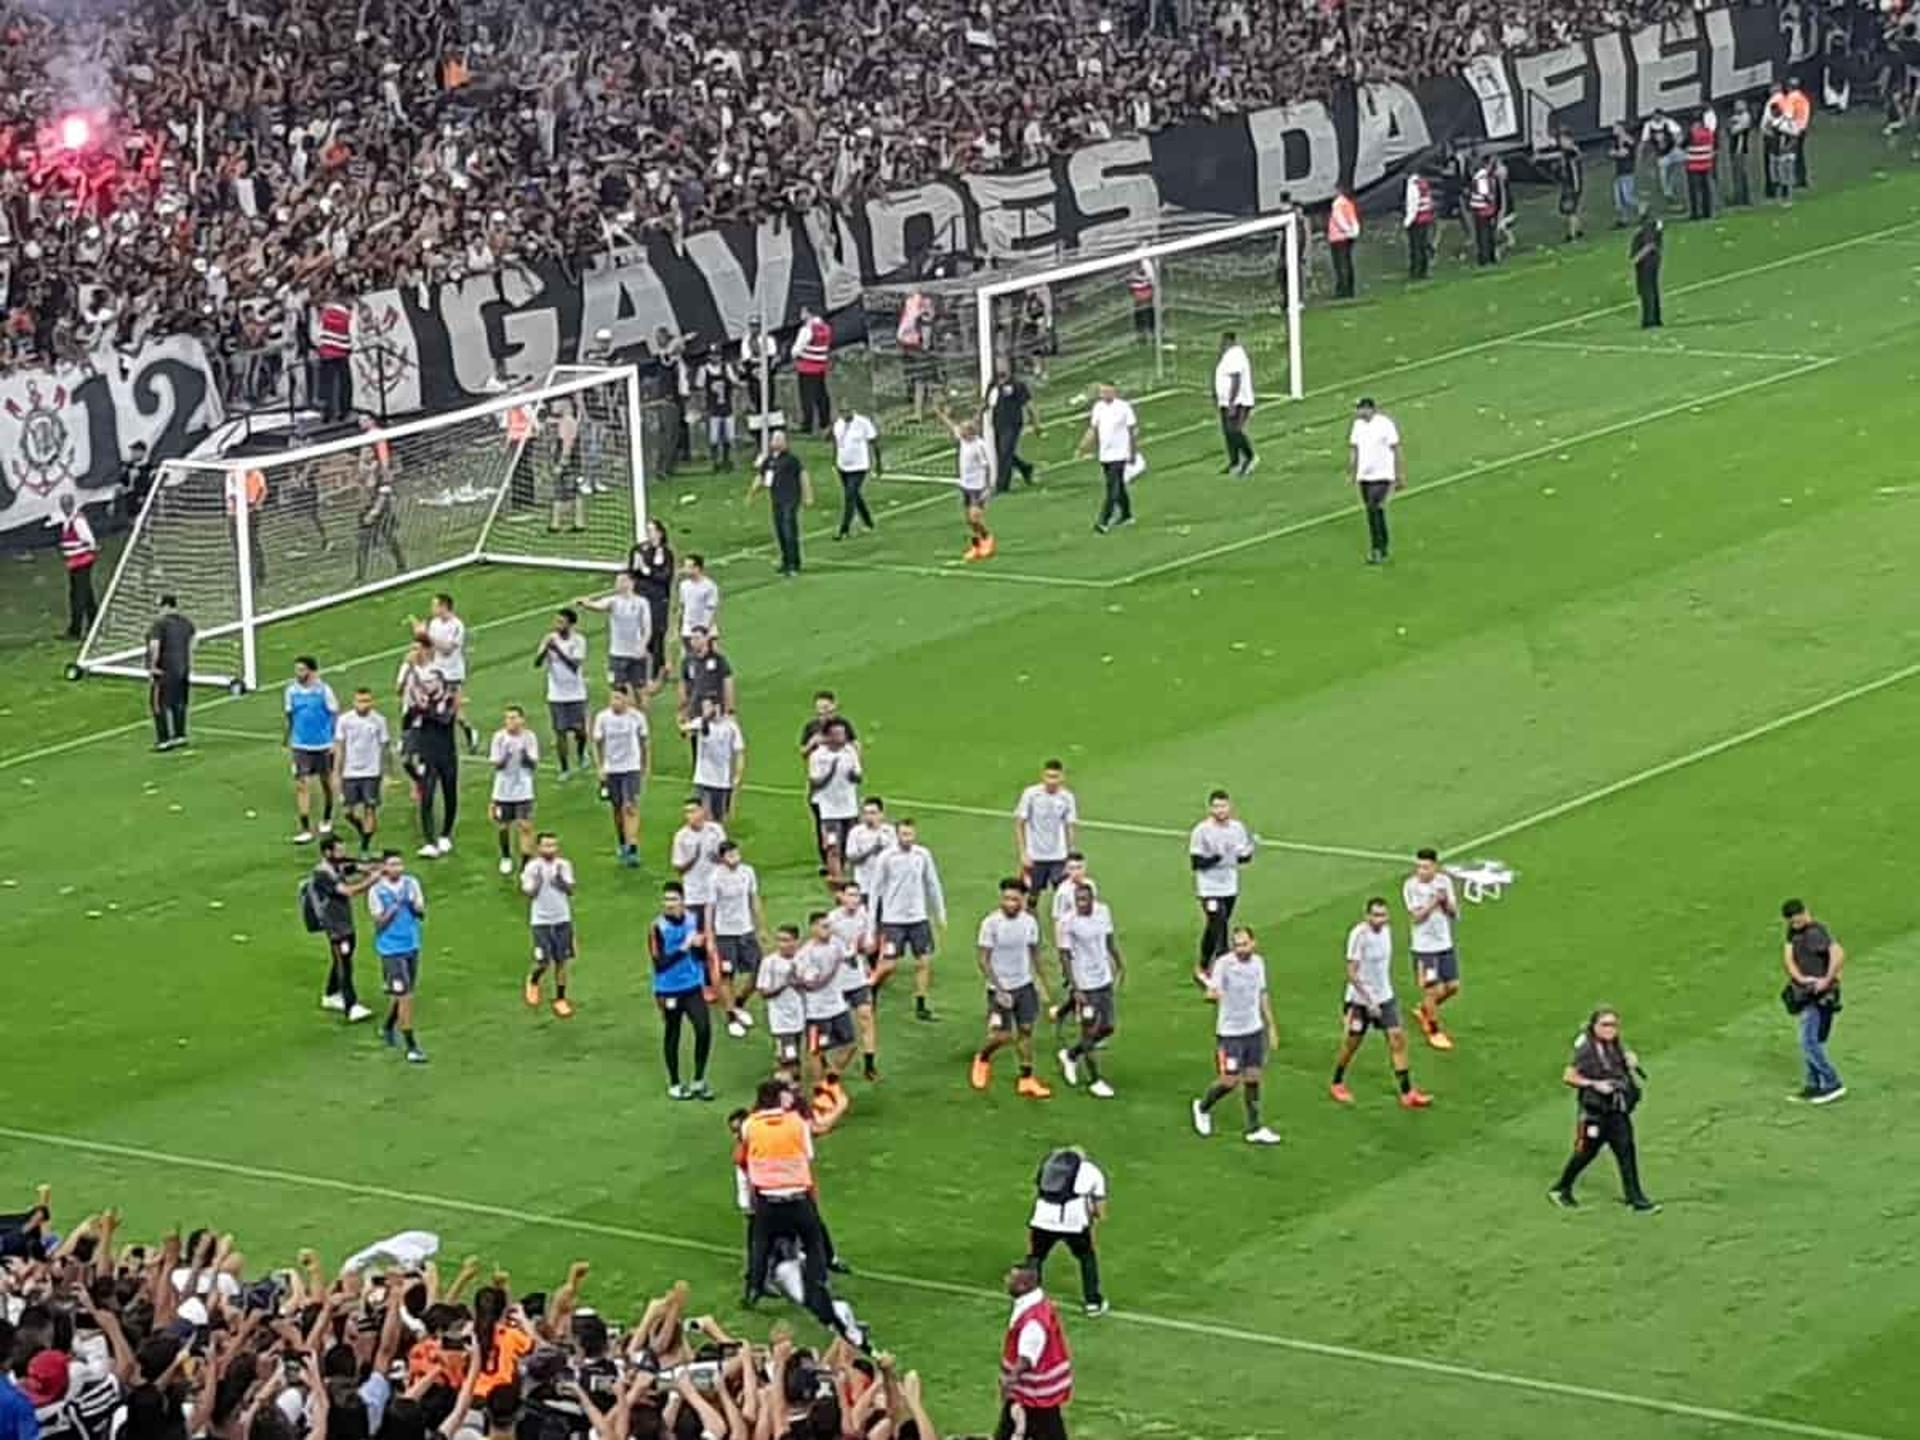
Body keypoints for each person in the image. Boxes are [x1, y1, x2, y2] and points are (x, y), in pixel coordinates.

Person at [740, 1079, 847, 1333]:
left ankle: (754, 1288)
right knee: (813, 1242)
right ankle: (817, 1284)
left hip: (767, 1198)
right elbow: (808, 1154)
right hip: (797, 1196)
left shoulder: (750, 1125)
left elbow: (748, 1152)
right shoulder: (796, 1123)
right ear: (778, 1098)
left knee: (761, 1244)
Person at [1549, 1008, 1658, 1212]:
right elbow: (1569, 1076)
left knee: (1626, 1152)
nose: (1611, 1029)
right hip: (1594, 1114)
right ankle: (1561, 1188)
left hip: (1617, 1110)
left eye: (1614, 1025)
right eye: (1605, 1025)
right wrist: (1593, 1084)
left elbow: (1618, 1070)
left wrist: (1631, 1063)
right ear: (1595, 1027)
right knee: (1585, 1154)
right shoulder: (1587, 1050)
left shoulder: (1614, 1046)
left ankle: (1636, 1198)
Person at [1330, 898, 1434, 1108]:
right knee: (1352, 1044)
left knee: (1397, 1039)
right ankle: (1337, 1081)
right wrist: (1368, 1002)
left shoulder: (1386, 932)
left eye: (1383, 915)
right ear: (1367, 916)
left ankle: (1407, 1092)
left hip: (1385, 996)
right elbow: (1351, 972)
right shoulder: (1359, 936)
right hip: (1361, 1000)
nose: (1380, 919)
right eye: (1375, 915)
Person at [1191, 926, 1281, 1145]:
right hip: (1230, 1033)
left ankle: (1254, 1127)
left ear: (1253, 943)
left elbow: (1262, 994)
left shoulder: (1258, 963)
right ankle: (1202, 1107)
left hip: (1253, 1030)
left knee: (1253, 1078)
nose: (1240, 949)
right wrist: (1212, 993)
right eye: (1236, 944)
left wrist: (1271, 1026)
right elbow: (1212, 991)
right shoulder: (1224, 964)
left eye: (1244, 944)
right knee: (1229, 1081)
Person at [972, 878, 1052, 1099]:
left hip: (1024, 985)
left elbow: (1035, 954)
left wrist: (1042, 986)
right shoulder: (991, 923)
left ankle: (1026, 1078)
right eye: (1006, 898)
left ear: (1023, 901)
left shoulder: (1029, 923)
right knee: (1003, 1035)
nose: (1009, 903)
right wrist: (999, 989)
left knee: (1026, 1030)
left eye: (1014, 899)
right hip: (1000, 987)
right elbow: (983, 959)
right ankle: (983, 1058)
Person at [872, 817, 947, 1022]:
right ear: (897, 834)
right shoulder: (886, 857)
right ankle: (870, 991)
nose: (908, 838)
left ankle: (921, 1004)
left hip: (918, 919)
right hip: (893, 920)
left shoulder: (922, 855)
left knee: (923, 961)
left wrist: (940, 912)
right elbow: (875, 890)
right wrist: (873, 923)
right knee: (889, 964)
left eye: (911, 834)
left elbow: (932, 883)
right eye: (904, 834)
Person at [649, 882, 715, 1100]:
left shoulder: (693, 920)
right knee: (673, 1032)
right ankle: (675, 1083)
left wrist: (700, 948)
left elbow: (701, 953)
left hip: (692, 986)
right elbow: (660, 963)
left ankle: (698, 1080)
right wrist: (684, 947)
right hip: (668, 989)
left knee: (704, 1029)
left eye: (674, 899)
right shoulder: (657, 928)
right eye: (666, 900)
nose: (669, 904)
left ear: (683, 901)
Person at [1055, 883, 1122, 1099]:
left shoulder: (1103, 912)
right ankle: (1095, 1080)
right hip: (1085, 983)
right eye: (1078, 900)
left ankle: (1071, 1055)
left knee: (1108, 1026)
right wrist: (1075, 988)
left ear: (1092, 898)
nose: (1082, 904)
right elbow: (1064, 955)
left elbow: (1109, 938)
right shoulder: (1068, 922)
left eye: (1085, 899)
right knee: (1089, 1030)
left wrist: (1118, 962)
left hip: (1103, 978)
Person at [1026, 1148, 1108, 1316]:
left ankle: (1030, 1298)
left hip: (1042, 1218)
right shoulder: (1091, 1170)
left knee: (1036, 1257)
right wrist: (1096, 1217)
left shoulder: (1048, 1166)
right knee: (1086, 1257)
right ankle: (1092, 1302)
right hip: (1074, 1221)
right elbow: (1099, 1205)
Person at [997, 1263, 1074, 1440]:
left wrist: (1009, 1380)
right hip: (1035, 1393)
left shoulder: (1032, 1321)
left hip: (1034, 1393)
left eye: (1011, 1279)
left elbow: (1026, 1358)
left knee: (1036, 1428)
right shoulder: (1037, 1303)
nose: (1006, 1281)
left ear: (1024, 1286)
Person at [1781, 899, 1846, 1103]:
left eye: (1797, 919)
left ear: (1805, 913)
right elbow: (1788, 957)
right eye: (1791, 921)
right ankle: (1813, 1084)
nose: (1794, 924)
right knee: (1813, 1040)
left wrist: (1826, 980)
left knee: (1808, 1041)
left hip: (1821, 995)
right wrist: (1800, 979)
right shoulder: (1794, 932)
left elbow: (1838, 953)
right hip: (1807, 992)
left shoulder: (1816, 932)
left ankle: (1832, 1082)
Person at [367, 850, 429, 1063]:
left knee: (405, 992)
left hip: (411, 944)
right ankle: (411, 1045)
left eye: (400, 864)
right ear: (384, 867)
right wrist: (391, 911)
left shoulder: (412, 884)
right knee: (405, 996)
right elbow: (378, 923)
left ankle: (387, 1027)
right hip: (390, 949)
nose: (397, 868)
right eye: (392, 864)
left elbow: (421, 913)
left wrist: (415, 907)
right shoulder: (376, 891)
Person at [306, 835, 376, 1024]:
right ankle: (351, 1005)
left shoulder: (337, 866)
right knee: (344, 963)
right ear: (327, 852)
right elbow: (348, 891)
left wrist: (374, 867)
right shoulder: (323, 873)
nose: (343, 854)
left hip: (344, 921)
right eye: (339, 851)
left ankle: (331, 994)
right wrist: (372, 880)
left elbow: (354, 867)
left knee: (343, 958)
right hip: (335, 925)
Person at [1188, 789, 1255, 983]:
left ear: (1230, 807)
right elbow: (1196, 862)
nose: (1220, 810)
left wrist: (1244, 855)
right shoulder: (1201, 831)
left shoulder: (1237, 828)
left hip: (1229, 885)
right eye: (1216, 806)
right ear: (1210, 808)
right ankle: (1216, 965)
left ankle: (1209, 963)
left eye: (1223, 806)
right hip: (1209, 887)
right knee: (1218, 923)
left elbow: (1243, 857)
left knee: (1219, 924)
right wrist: (1217, 858)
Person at [797, 912, 858, 1116]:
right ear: (813, 928)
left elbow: (850, 956)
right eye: (823, 926)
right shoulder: (806, 953)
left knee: (850, 1044)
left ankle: (832, 1076)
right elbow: (811, 982)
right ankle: (818, 1092)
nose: (828, 929)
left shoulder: (836, 944)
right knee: (815, 1051)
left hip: (838, 1005)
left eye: (829, 925)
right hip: (817, 1012)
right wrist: (831, 970)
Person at [826, 881, 883, 1081]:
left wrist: (866, 947)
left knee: (866, 1017)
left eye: (857, 896)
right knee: (834, 1028)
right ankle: (827, 1065)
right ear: (841, 897)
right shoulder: (832, 920)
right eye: (850, 895)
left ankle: (869, 1064)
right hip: (836, 980)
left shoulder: (864, 916)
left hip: (857, 977)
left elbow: (870, 944)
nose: (853, 900)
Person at [1404, 847, 1461, 1049]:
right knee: (1431, 989)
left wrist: (1445, 901)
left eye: (1426, 867)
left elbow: (1454, 913)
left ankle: (1424, 1010)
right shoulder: (1411, 886)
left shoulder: (1444, 882)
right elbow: (1417, 918)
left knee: (1453, 986)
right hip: (1424, 948)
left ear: (1435, 867)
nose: (1422, 871)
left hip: (1444, 943)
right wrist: (1433, 901)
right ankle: (1434, 1031)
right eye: (1419, 867)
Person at [708, 840, 765, 1038]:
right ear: (722, 858)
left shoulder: (747, 872)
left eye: (736, 853)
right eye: (730, 855)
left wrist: (760, 927)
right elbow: (710, 908)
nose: (734, 858)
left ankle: (739, 1001)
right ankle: (731, 1014)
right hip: (725, 933)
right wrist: (709, 935)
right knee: (727, 975)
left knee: (760, 970)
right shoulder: (715, 877)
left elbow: (753, 899)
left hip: (746, 930)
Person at [800, 691, 860, 874]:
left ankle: (844, 859)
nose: (823, 712)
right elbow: (803, 752)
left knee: (848, 826)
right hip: (821, 790)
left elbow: (855, 746)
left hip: (842, 788)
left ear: (834, 706)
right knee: (823, 824)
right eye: (819, 709)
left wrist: (852, 765)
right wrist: (812, 744)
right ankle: (829, 862)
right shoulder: (812, 729)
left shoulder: (844, 727)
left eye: (826, 707)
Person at [590, 685, 649, 866]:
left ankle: (633, 847)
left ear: (627, 699)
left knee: (630, 806)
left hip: (631, 768)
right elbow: (597, 743)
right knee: (617, 809)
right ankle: (622, 841)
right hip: (611, 769)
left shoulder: (637, 717)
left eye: (618, 698)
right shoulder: (603, 718)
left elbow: (644, 742)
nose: (615, 702)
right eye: (612, 698)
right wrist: (600, 768)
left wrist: (645, 766)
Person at [285, 656, 341, 844]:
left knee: (326, 782)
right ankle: (305, 828)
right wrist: (290, 739)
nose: (298, 673)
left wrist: (333, 740)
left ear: (312, 671)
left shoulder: (324, 691)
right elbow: (290, 715)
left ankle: (326, 817)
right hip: (301, 745)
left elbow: (333, 714)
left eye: (302, 670)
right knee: (301, 784)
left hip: (323, 745)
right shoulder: (291, 691)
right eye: (297, 670)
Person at [521, 832, 578, 1016]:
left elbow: (570, 890)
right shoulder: (532, 867)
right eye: (546, 846)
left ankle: (561, 998)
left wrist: (560, 881)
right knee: (544, 962)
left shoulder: (564, 865)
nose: (550, 850)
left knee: (562, 961)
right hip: (541, 921)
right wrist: (537, 882)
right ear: (538, 848)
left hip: (562, 919)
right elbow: (529, 894)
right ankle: (534, 980)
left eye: (553, 845)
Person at [413, 593, 478, 754]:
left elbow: (448, 649)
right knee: (435, 707)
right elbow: (429, 645)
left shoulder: (457, 626)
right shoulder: (434, 623)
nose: (432, 609)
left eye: (435, 605)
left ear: (443, 606)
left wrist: (427, 636)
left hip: (452, 673)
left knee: (449, 709)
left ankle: (467, 731)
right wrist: (420, 636)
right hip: (437, 672)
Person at [332, 687, 393, 856]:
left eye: (367, 701)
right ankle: (363, 830)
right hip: (350, 772)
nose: (363, 704)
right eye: (360, 701)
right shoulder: (344, 720)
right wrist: (336, 772)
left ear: (372, 702)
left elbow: (385, 747)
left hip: (371, 773)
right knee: (347, 812)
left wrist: (387, 773)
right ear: (354, 702)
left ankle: (365, 847)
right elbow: (339, 747)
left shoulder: (379, 721)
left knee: (369, 808)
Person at [578, 570, 653, 706]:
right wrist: (587, 603)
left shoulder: (641, 602)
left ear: (631, 583)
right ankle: (626, 713)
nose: (619, 584)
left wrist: (642, 646)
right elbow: (599, 606)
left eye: (622, 581)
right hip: (617, 653)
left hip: (636, 653)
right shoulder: (613, 601)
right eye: (617, 581)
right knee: (618, 689)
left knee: (640, 689)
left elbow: (647, 628)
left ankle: (642, 716)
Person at [408, 666, 461, 857]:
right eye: (425, 682)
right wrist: (415, 708)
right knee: (427, 797)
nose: (427, 686)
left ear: (440, 682)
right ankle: (429, 841)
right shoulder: (422, 702)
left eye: (431, 682)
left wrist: (425, 710)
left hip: (447, 754)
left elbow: (445, 720)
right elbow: (408, 722)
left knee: (450, 794)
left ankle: (445, 834)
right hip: (427, 755)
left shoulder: (450, 700)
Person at [935, 402, 996, 562]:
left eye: (964, 429)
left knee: (975, 517)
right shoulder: (963, 440)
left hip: (978, 487)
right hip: (965, 485)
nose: (960, 432)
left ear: (970, 432)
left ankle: (987, 538)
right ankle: (976, 546)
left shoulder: (979, 445)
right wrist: (941, 413)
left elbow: (987, 466)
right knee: (969, 520)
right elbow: (950, 425)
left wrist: (988, 487)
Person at [1015, 760, 1079, 912]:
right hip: (1035, 856)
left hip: (1058, 856)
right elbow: (1019, 823)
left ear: (1062, 777)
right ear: (1043, 776)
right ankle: (1029, 927)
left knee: (1064, 893)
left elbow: (1070, 826)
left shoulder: (1067, 797)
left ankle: (1065, 927)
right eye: (1049, 776)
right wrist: (1023, 853)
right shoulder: (1031, 794)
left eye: (1055, 777)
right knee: (1031, 895)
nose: (1052, 781)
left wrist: (1070, 854)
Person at [534, 608, 589, 780]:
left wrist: (557, 650)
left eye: (561, 622)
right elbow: (537, 663)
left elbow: (574, 666)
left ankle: (581, 753)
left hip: (576, 693)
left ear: (571, 624)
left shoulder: (579, 641)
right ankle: (564, 768)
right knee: (560, 732)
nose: (557, 625)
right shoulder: (549, 638)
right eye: (556, 621)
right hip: (556, 694)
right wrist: (545, 650)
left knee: (580, 731)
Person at [1077, 383, 1139, 535]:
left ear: (1114, 392)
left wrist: (1132, 452)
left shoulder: (1124, 407)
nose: (1104, 394)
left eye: (1107, 391)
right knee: (1119, 486)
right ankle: (1126, 515)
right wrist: (1083, 446)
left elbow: (1131, 431)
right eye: (1102, 392)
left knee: (1112, 488)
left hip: (1120, 453)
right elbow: (1094, 429)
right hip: (1105, 454)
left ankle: (1103, 521)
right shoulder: (1098, 407)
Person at [1348, 395, 1403, 564]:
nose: (1357, 412)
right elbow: (1355, 449)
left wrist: (1399, 474)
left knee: (1373, 507)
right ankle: (1381, 546)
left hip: (1382, 475)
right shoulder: (1357, 426)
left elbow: (1395, 449)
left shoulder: (1385, 424)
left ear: (1369, 408)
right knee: (1373, 512)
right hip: (1364, 476)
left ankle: (1378, 549)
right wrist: (1352, 471)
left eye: (1360, 408)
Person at [808, 720, 863, 888]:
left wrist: (853, 775)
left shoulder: (850, 751)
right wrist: (831, 771)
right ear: (828, 736)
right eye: (837, 734)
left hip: (849, 807)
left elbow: (858, 777)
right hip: (829, 810)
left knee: (849, 844)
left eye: (843, 733)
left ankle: (843, 874)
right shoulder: (818, 756)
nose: (842, 737)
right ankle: (837, 880)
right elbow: (815, 783)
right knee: (832, 846)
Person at [749, 431, 812, 577]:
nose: (777, 442)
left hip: (790, 499)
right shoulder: (769, 460)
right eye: (775, 439)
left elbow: (803, 476)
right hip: (776, 500)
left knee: (789, 530)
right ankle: (785, 561)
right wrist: (752, 492)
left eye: (780, 439)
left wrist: (807, 495)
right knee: (780, 531)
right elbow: (761, 476)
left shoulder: (792, 459)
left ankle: (794, 563)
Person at [487, 705, 540, 877]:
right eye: (508, 718)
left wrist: (524, 754)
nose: (511, 722)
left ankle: (526, 864)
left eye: (514, 718)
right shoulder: (499, 738)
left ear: (522, 720)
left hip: (524, 788)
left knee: (525, 825)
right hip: (503, 790)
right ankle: (506, 856)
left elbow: (533, 764)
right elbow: (497, 765)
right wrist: (506, 755)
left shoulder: (529, 737)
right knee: (503, 825)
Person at [671, 795, 729, 939]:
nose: (690, 815)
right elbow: (678, 869)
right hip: (694, 894)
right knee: (697, 936)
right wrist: (693, 859)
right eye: (687, 812)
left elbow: (727, 858)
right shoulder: (681, 837)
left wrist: (718, 858)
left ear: (702, 812)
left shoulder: (716, 830)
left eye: (693, 811)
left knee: (720, 933)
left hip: (717, 891)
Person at [683, 695, 746, 823]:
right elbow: (685, 732)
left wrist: (738, 775)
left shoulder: (730, 727)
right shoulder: (700, 722)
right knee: (700, 815)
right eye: (704, 707)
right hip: (702, 779)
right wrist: (692, 726)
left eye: (708, 707)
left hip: (721, 781)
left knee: (719, 819)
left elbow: (739, 752)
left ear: (717, 707)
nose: (705, 710)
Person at [354, 427, 406, 583]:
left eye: (368, 451)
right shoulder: (361, 469)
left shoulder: (381, 470)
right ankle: (359, 576)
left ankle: (401, 565)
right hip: (365, 509)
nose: (364, 454)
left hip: (381, 509)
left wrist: (375, 511)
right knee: (362, 543)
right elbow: (360, 489)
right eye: (363, 451)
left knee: (389, 538)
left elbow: (385, 491)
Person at [145, 594, 195, 751]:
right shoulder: (187, 623)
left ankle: (163, 739)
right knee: (179, 703)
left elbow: (155, 646)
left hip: (165, 670)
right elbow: (192, 644)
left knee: (158, 705)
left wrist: (153, 666)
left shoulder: (159, 624)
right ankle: (180, 735)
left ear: (166, 606)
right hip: (183, 669)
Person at [758, 926, 809, 1079]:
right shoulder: (769, 962)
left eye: (786, 940)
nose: (782, 944)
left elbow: (812, 985)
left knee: (795, 1057)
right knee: (789, 1057)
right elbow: (763, 992)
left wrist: (798, 981)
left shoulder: (803, 960)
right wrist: (784, 983)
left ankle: (789, 1087)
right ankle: (786, 1088)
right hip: (780, 1019)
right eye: (779, 940)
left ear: (796, 941)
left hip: (800, 1016)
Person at [627, 518, 674, 682]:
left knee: (656, 635)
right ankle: (639, 671)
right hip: (641, 597)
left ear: (660, 533)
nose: (650, 534)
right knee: (640, 634)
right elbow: (632, 574)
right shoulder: (639, 550)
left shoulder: (665, 553)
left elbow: (665, 576)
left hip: (658, 599)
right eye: (648, 530)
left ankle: (658, 671)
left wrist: (647, 571)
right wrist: (636, 569)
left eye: (653, 530)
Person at [986, 359, 1041, 494]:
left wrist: (1036, 423)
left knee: (1005, 453)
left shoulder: (1017, 385)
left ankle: (1001, 487)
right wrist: (977, 417)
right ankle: (1025, 468)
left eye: (1003, 364)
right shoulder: (993, 384)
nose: (1000, 367)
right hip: (998, 423)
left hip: (1012, 424)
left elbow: (1029, 404)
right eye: (998, 364)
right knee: (1003, 454)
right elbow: (986, 402)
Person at [52, 493, 100, 640]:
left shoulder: (78, 521)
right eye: (63, 506)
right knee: (86, 595)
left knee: (78, 596)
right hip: (75, 562)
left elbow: (90, 541)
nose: (65, 508)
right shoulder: (68, 520)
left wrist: (81, 550)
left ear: (71, 505)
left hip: (82, 562)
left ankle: (76, 631)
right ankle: (94, 625)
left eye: (67, 505)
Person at [830, 403, 881, 539]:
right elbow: (836, 443)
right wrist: (834, 461)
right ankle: (868, 521)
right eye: (841, 411)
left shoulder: (863, 423)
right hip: (843, 466)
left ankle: (844, 529)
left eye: (846, 411)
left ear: (852, 410)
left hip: (859, 467)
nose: (844, 414)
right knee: (854, 495)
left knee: (849, 496)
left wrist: (878, 464)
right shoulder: (838, 424)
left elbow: (874, 442)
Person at [1213, 332, 1257, 477]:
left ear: (1229, 341)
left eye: (1223, 341)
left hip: (1239, 401)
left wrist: (1232, 402)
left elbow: (1236, 379)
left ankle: (1250, 457)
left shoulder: (1235, 355)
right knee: (1228, 433)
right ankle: (1235, 462)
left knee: (1234, 430)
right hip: (1226, 402)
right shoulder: (1227, 356)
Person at [677, 627, 736, 726]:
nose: (694, 641)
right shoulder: (687, 661)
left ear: (706, 639)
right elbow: (683, 684)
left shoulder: (718, 659)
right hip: (695, 711)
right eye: (692, 638)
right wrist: (682, 710)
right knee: (697, 740)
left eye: (697, 638)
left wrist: (729, 710)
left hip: (715, 711)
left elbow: (728, 683)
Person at [790, 307, 834, 434]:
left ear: (808, 313)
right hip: (820, 367)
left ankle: (807, 426)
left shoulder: (806, 330)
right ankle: (824, 422)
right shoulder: (826, 328)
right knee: (821, 395)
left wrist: (794, 355)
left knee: (806, 397)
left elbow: (796, 350)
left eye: (803, 312)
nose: (801, 315)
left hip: (806, 367)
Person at [675, 553, 721, 655]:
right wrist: (678, 627)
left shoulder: (709, 586)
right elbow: (682, 607)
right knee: (688, 660)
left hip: (706, 630)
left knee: (712, 658)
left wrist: (703, 630)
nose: (685, 570)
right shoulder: (684, 585)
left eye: (688, 567)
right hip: (688, 629)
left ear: (697, 568)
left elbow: (711, 610)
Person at [1630, 210, 1664, 329]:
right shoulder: (1655, 227)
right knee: (1652, 289)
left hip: (1646, 263)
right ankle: (1655, 318)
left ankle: (1649, 319)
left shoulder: (1647, 229)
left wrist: (1636, 258)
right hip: (1653, 261)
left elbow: (1650, 245)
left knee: (1647, 291)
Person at [1403, 168, 1437, 279]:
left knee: (1415, 248)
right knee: (1423, 246)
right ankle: (1424, 271)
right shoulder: (1423, 183)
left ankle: (1416, 272)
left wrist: (1407, 222)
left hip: (1416, 220)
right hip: (1425, 218)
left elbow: (1413, 205)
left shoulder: (1412, 186)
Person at [1326, 186, 1359, 298]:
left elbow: (1338, 219)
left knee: (1340, 265)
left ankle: (1342, 290)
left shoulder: (1337, 204)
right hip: (1348, 238)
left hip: (1338, 238)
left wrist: (1346, 231)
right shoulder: (1348, 203)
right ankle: (1349, 289)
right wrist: (1353, 233)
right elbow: (1354, 220)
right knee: (1347, 263)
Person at [1467, 156, 1500, 265]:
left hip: (1481, 209)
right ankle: (1486, 258)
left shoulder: (1481, 177)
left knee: (1485, 234)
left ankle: (1487, 257)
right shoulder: (1482, 177)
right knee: (1485, 235)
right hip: (1483, 210)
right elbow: (1485, 194)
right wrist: (1492, 202)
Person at [1553, 128, 1585, 241]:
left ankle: (1572, 235)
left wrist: (1576, 187)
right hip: (1568, 185)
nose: (1560, 142)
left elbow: (1574, 168)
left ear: (1569, 139)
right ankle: (1578, 230)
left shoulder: (1573, 151)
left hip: (1572, 185)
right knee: (1570, 210)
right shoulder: (1566, 152)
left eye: (1562, 139)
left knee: (1571, 210)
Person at [1684, 111, 1716, 220]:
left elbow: (1683, 144)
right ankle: (1708, 212)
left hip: (1693, 164)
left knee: (1694, 191)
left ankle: (1695, 213)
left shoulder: (1691, 133)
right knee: (1706, 189)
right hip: (1706, 163)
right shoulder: (1708, 132)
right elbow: (1713, 145)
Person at [1607, 121, 1638, 226]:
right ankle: (1623, 220)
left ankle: (1642, 206)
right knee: (1619, 199)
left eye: (1615, 128)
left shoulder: (1628, 141)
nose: (1613, 130)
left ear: (1621, 128)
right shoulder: (1617, 141)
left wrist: (1614, 153)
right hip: (1619, 172)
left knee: (1627, 197)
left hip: (1627, 172)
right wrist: (1615, 153)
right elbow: (1612, 153)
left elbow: (1623, 154)